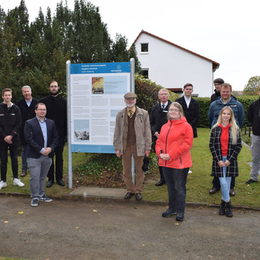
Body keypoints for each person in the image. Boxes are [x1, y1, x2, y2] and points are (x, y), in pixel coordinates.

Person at [156, 102, 193, 221]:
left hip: (179, 163)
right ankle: (171, 208)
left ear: (180, 112)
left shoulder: (186, 126)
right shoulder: (164, 126)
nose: (173, 111)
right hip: (166, 162)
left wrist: (171, 155)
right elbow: (159, 142)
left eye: (175, 110)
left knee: (179, 187)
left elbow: (187, 144)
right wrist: (160, 153)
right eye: (171, 109)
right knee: (170, 187)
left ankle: (180, 211)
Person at [113, 92, 152, 201]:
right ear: (125, 100)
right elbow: (117, 132)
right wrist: (117, 147)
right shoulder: (120, 114)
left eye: (132, 99)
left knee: (139, 169)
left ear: (135, 100)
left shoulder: (143, 114)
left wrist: (148, 147)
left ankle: (138, 190)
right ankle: (130, 190)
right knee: (126, 170)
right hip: (125, 146)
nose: (130, 101)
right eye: (128, 99)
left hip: (139, 145)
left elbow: (147, 131)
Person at [208, 83, 244, 196]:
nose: (225, 93)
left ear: (230, 92)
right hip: (218, 135)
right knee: (217, 160)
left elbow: (241, 120)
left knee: (231, 162)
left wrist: (234, 131)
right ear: (220, 92)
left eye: (227, 91)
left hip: (232, 135)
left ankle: (231, 187)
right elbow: (210, 118)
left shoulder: (237, 104)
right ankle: (216, 185)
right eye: (223, 91)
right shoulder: (214, 104)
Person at [209, 106, 242, 217]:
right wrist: (218, 159)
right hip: (218, 160)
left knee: (227, 184)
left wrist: (230, 160)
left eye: (228, 114)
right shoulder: (215, 128)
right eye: (224, 113)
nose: (226, 116)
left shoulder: (235, 129)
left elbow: (238, 146)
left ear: (231, 116)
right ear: (221, 115)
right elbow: (211, 145)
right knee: (223, 183)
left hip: (229, 161)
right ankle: (228, 204)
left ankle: (223, 205)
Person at [24, 103, 58, 207]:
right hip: (34, 156)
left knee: (43, 177)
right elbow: (28, 139)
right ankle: (35, 196)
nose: (42, 111)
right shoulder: (29, 123)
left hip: (47, 155)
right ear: (35, 111)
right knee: (35, 177)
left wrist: (50, 148)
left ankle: (42, 194)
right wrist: (41, 149)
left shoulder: (51, 123)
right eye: (40, 109)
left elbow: (56, 138)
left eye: (44, 109)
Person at [40, 80, 67, 187]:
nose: (54, 88)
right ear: (49, 88)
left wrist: (65, 135)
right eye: (52, 86)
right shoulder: (43, 102)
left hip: (60, 135)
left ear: (58, 88)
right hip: (48, 135)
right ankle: (50, 178)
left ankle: (59, 178)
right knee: (49, 157)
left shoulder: (64, 102)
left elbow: (66, 119)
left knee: (59, 157)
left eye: (55, 86)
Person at [0, 88, 25, 190]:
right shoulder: (0, 107)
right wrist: (4, 136)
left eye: (9, 95)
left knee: (14, 159)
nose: (7, 97)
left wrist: (11, 135)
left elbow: (19, 123)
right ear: (3, 96)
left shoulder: (16, 108)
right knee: (3, 160)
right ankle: (3, 181)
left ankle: (16, 179)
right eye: (5, 95)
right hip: (2, 139)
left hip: (14, 138)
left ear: (11, 96)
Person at [150, 88, 172, 186]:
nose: (163, 96)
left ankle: (171, 179)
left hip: (171, 138)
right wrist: (154, 132)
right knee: (161, 158)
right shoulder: (154, 108)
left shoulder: (174, 107)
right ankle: (162, 179)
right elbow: (151, 123)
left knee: (171, 157)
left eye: (165, 94)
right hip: (158, 138)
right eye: (161, 94)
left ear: (168, 96)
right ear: (158, 96)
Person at [16, 85, 38, 177]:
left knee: (36, 149)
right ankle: (24, 169)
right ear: (22, 93)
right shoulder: (18, 103)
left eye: (28, 91)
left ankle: (36, 168)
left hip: (36, 129)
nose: (26, 93)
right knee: (25, 150)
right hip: (23, 130)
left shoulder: (37, 102)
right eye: (24, 92)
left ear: (31, 91)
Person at [245, 96, 260, 184]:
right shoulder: (254, 104)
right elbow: (249, 117)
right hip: (256, 135)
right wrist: (255, 125)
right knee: (256, 157)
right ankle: (254, 177)